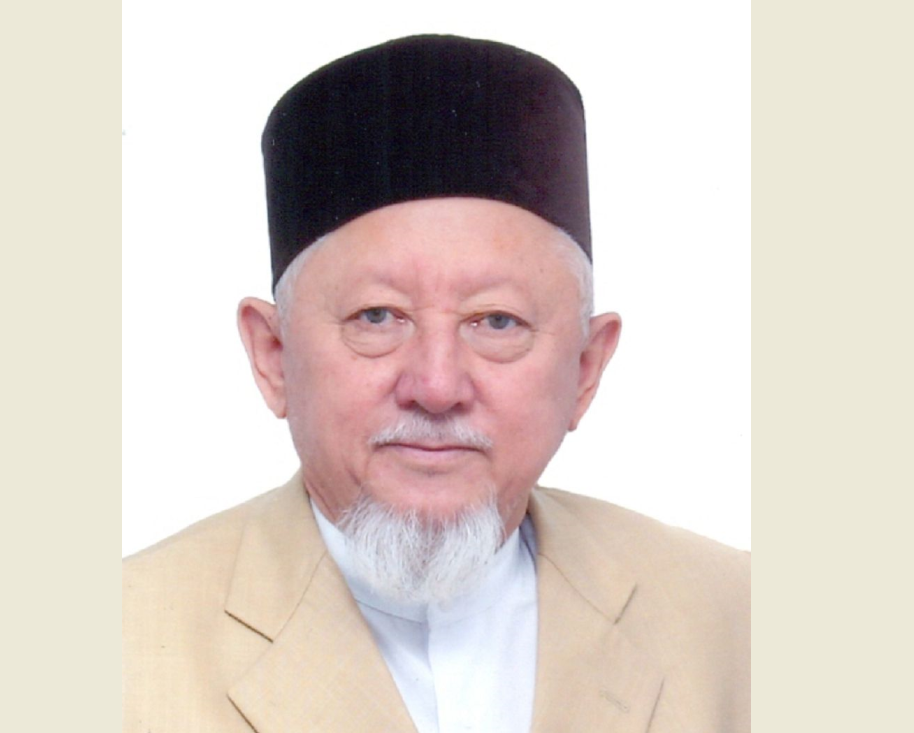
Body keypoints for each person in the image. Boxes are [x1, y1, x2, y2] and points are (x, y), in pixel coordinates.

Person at [123, 35, 749, 733]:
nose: (436, 385)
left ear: (584, 369)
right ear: (273, 356)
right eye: (377, 316)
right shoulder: (118, 644)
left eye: (497, 321)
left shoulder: (739, 620)